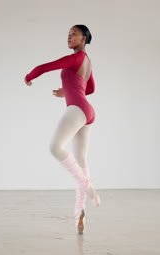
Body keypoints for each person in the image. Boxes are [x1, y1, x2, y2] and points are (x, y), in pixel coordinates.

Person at [24, 25, 101, 234]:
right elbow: (91, 88)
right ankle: (79, 212)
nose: (69, 37)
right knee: (81, 159)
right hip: (87, 111)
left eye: (73, 34)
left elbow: (45, 67)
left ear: (84, 38)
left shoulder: (76, 58)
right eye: (68, 34)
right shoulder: (87, 62)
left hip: (77, 109)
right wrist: (67, 90)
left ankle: (88, 186)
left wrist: (29, 76)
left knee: (55, 148)